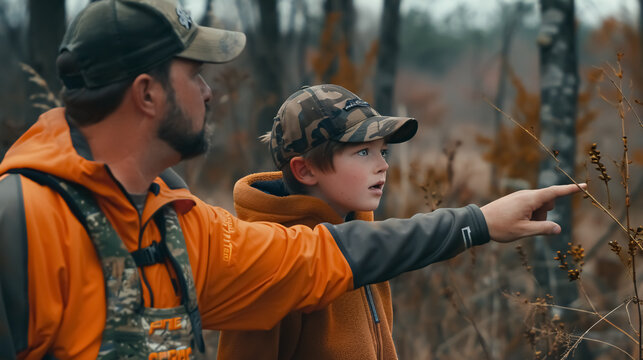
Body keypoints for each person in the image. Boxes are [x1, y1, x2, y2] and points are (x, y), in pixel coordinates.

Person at [0, 0, 584, 359]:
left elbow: (323, 256)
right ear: (147, 94)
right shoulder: (21, 223)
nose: (209, 91)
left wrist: (479, 223)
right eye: (195, 75)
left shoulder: (185, 229)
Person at [218, 84, 417, 360]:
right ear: (305, 169)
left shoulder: (364, 242)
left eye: (382, 151)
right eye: (363, 152)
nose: (383, 165)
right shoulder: (272, 264)